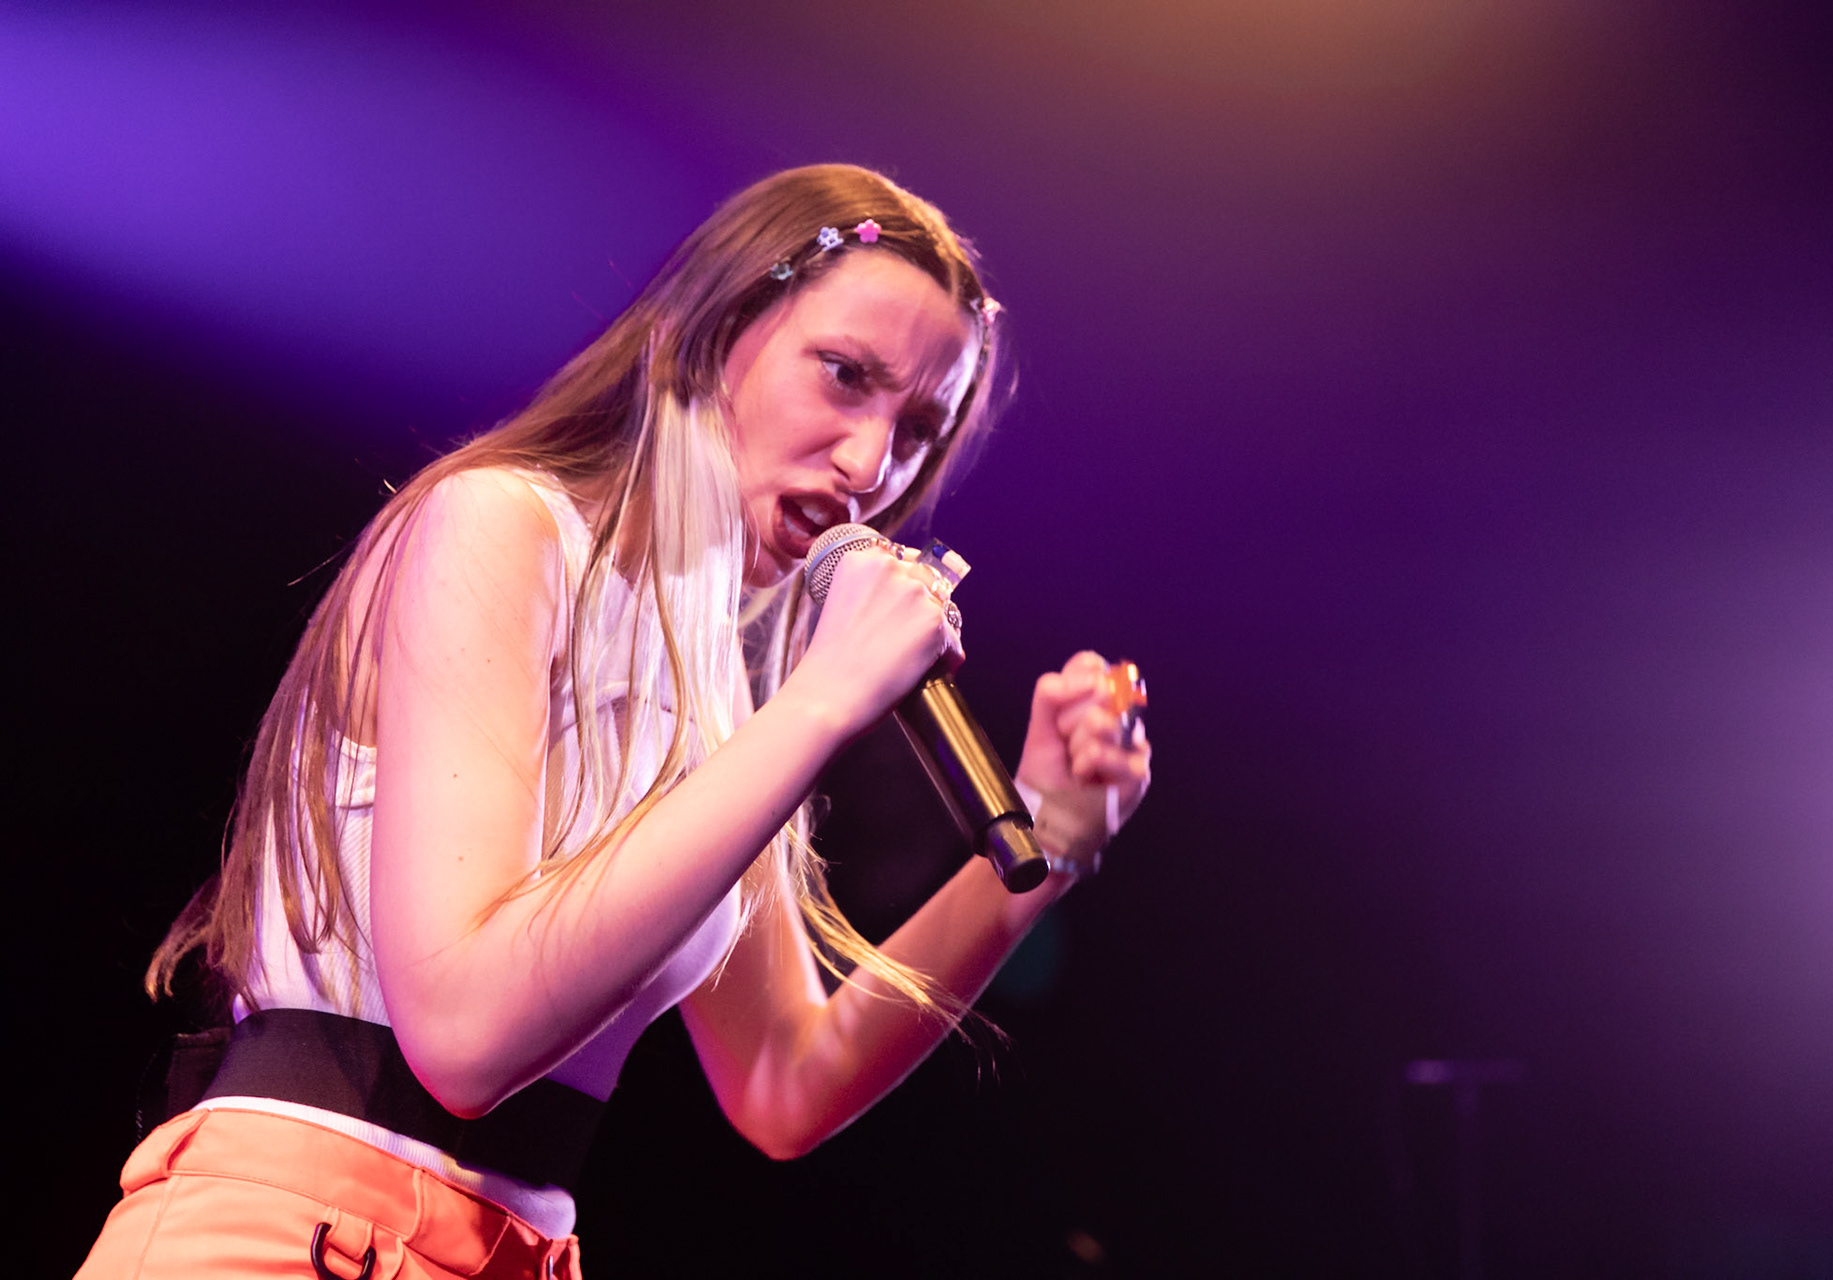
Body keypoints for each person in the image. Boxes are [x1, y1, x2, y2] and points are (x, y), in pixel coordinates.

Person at [76, 163, 1151, 1279]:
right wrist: (822, 704)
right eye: (842, 375)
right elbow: (463, 1033)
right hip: (292, 1229)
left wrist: (1052, 834)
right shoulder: (501, 526)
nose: (873, 464)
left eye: (920, 428)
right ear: (709, 331)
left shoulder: (723, 693)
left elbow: (789, 1081)